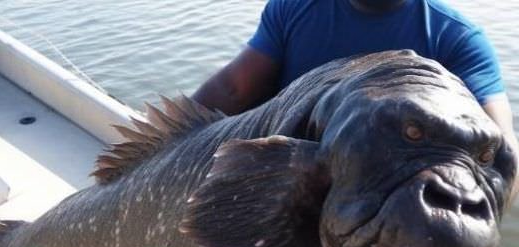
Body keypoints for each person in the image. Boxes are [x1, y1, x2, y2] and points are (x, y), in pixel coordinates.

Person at [193, 0, 517, 195]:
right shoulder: (296, 7)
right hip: (280, 192)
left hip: (383, 215)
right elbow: (232, 89)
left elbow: (503, 156)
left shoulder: (457, 40)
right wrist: (166, 144)